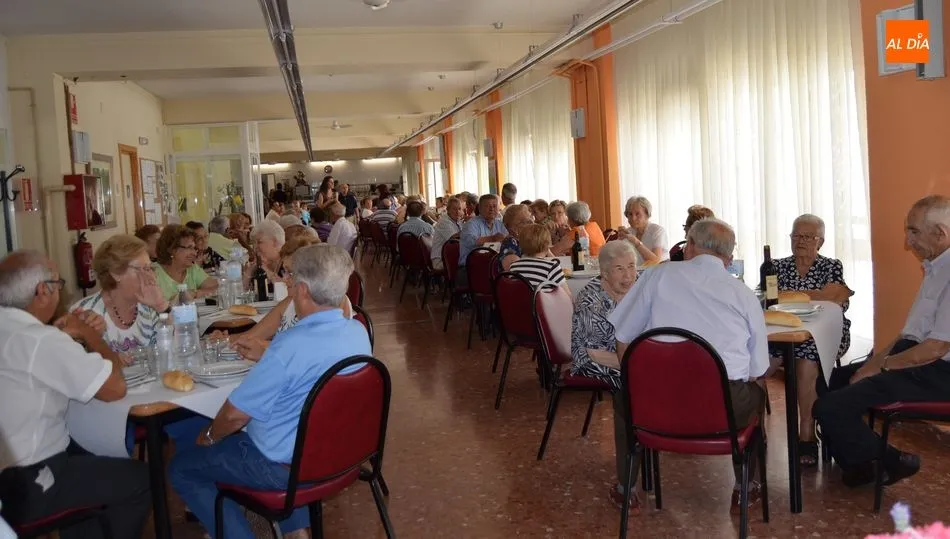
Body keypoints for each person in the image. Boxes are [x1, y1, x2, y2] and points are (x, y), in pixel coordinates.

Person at [169, 244, 371, 539]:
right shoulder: (357, 331)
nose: (285, 282)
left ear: (302, 290)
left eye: (290, 278)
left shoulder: (288, 345)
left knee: (182, 468)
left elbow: (235, 416)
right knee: (285, 427)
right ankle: (293, 529)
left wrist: (210, 436)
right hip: (339, 454)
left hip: (282, 467)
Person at [608, 218, 770, 514]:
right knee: (756, 392)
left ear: (690, 246)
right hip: (722, 410)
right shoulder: (744, 295)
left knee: (624, 400)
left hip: (655, 407)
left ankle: (626, 489)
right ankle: (746, 486)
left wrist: (635, 386)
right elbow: (758, 369)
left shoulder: (657, 276)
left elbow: (623, 336)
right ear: (729, 258)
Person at [0, 251, 151, 539]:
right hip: (27, 480)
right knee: (141, 479)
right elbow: (114, 388)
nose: (61, 291)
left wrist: (68, 340)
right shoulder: (39, 340)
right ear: (43, 290)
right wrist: (89, 334)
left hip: (10, 471)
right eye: (58, 284)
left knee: (90, 457)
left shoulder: (22, 332)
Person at [813, 195, 950, 489]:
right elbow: (909, 336)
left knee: (829, 407)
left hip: (938, 371)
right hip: (916, 358)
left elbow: (936, 347)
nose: (907, 241)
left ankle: (892, 460)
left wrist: (882, 367)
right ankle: (860, 464)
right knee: (831, 380)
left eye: (913, 231)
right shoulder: (935, 268)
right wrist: (874, 363)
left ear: (941, 233)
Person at [771, 214, 853, 467]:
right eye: (796, 235)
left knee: (806, 360)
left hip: (825, 332)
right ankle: (755, 431)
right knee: (758, 359)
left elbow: (839, 301)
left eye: (808, 236)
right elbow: (769, 299)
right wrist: (818, 295)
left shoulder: (831, 266)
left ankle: (806, 432)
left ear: (821, 241)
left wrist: (793, 295)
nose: (801, 241)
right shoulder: (777, 266)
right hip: (782, 330)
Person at [227, 237, 354, 361]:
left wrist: (267, 349)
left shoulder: (333, 305)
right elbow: (251, 336)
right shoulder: (290, 302)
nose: (284, 279)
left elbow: (317, 352)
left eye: (291, 273)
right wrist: (223, 339)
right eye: (284, 271)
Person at [570, 240, 640, 388]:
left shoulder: (639, 285)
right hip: (596, 361)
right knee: (646, 379)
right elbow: (595, 353)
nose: (628, 276)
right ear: (605, 273)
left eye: (631, 266)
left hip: (631, 355)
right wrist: (640, 364)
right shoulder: (591, 301)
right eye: (619, 269)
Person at [154, 224, 219, 300]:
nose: (194, 253)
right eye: (189, 247)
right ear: (172, 249)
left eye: (194, 248)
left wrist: (195, 293)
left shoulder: (192, 269)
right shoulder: (152, 274)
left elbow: (218, 287)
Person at [508, 224, 571, 296]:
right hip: (543, 306)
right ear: (547, 245)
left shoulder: (513, 266)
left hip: (520, 306)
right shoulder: (551, 267)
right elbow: (568, 296)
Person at [458, 194, 508, 283]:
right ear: (480, 209)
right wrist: (493, 238)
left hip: (492, 265)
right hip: (470, 267)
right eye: (487, 206)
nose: (491, 209)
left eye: (494, 206)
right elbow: (471, 241)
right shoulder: (471, 224)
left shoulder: (499, 224)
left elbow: (506, 240)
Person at [618, 196, 668, 265]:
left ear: (647, 214)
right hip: (637, 273)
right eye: (630, 214)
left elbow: (656, 261)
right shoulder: (629, 232)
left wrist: (636, 242)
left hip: (657, 272)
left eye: (637, 214)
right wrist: (618, 243)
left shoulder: (657, 231)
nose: (633, 218)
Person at [497, 203, 534, 273]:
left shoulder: (528, 241)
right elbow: (513, 269)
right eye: (524, 222)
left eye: (531, 220)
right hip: (516, 282)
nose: (531, 224)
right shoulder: (510, 242)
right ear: (511, 228)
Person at [430, 197, 465, 271]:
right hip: (440, 259)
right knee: (468, 265)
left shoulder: (458, 221)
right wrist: (470, 227)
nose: (457, 212)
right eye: (454, 209)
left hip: (452, 255)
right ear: (448, 209)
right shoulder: (444, 221)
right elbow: (454, 238)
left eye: (459, 209)